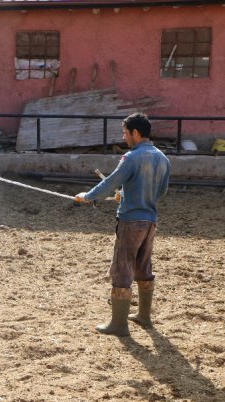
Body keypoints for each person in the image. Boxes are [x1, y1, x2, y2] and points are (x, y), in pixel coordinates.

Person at [75, 112, 171, 337]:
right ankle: (144, 317)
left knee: (122, 268)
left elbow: (111, 183)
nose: (124, 136)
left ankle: (119, 324)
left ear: (136, 133)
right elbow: (162, 192)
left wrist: (88, 196)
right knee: (143, 267)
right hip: (150, 221)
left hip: (130, 221)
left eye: (125, 132)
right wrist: (129, 195)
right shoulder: (163, 158)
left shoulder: (131, 157)